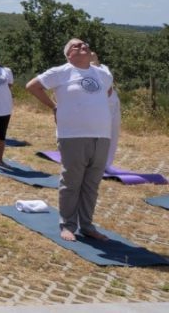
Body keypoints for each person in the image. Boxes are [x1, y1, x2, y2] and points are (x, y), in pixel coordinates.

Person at [26, 39, 114, 242]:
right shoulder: (61, 72)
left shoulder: (102, 73)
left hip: (101, 134)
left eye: (85, 44)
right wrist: (54, 106)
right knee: (72, 182)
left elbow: (108, 91)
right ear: (68, 54)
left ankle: (87, 225)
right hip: (73, 135)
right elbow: (33, 86)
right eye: (76, 46)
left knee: (91, 183)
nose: (82, 46)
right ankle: (67, 225)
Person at [90, 52, 119, 170]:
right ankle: (93, 162)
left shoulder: (104, 68)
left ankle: (106, 163)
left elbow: (108, 82)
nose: (92, 53)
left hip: (113, 101)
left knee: (113, 132)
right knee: (98, 135)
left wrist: (95, 64)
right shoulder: (83, 70)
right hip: (99, 104)